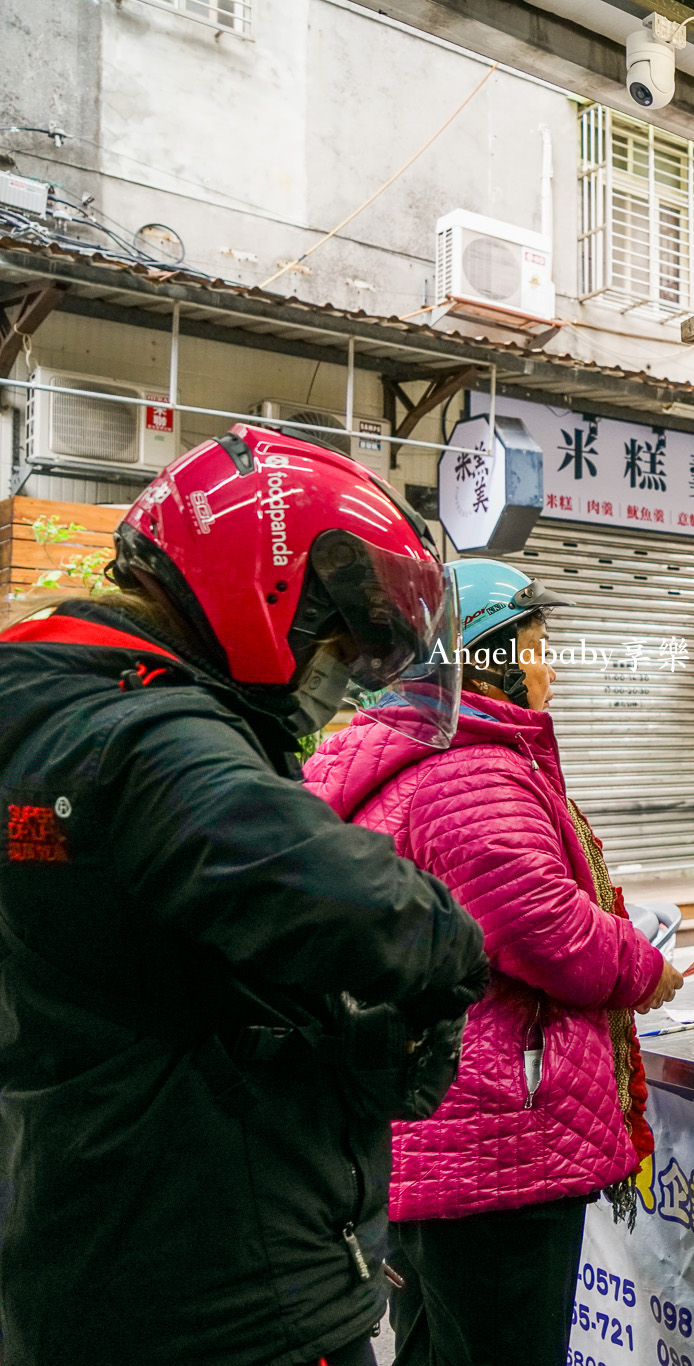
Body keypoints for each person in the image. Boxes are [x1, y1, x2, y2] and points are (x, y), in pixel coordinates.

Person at [0, 425, 489, 1366]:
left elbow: (185, 985)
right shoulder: (148, 737)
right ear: (268, 587)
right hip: (223, 1299)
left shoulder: (59, 708)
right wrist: (450, 952)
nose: (341, 679)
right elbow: (345, 897)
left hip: (98, 1249)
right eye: (341, 644)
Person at [305, 558, 694, 1366]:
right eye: (538, 642)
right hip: (495, 1147)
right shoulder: (472, 769)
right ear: (486, 656)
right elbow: (543, 929)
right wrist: (642, 968)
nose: (551, 663)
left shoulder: (428, 758)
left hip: (442, 1138)